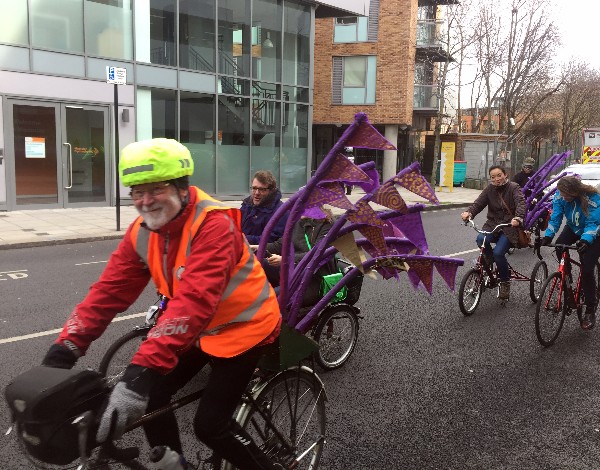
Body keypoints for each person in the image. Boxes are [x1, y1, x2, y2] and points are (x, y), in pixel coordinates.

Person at [41, 138, 283, 470]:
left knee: (210, 426)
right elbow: (107, 292)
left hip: (245, 328)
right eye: (137, 191)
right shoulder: (143, 231)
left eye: (155, 189)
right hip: (198, 330)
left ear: (182, 188)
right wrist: (63, 350)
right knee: (152, 398)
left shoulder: (214, 223)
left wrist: (141, 371)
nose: (145, 201)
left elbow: (194, 301)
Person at [541, 176, 600, 330]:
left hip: (593, 231)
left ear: (576, 192)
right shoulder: (560, 196)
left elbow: (592, 222)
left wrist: (586, 240)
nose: (564, 197)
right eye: (562, 194)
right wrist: (548, 235)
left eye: (567, 195)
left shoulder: (591, 197)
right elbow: (555, 218)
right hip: (573, 227)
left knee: (587, 269)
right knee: (560, 247)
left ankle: (590, 308)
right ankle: (566, 276)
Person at [461, 165, 526, 301]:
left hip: (509, 226)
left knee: (498, 253)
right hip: (492, 224)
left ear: (505, 175)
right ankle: (488, 262)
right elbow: (478, 203)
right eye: (493, 177)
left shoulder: (513, 187)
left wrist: (518, 218)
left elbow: (520, 203)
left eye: (499, 175)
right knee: (480, 239)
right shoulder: (489, 189)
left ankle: (504, 282)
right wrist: (469, 213)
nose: (496, 179)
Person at [251, 207, 335, 307]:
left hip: (314, 278)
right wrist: (256, 247)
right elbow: (280, 245)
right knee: (260, 264)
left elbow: (318, 254)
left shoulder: (326, 225)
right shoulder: (299, 222)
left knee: (270, 297)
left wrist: (285, 260)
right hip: (294, 272)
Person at [241, 170, 289, 245]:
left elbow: (272, 240)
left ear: (271, 190)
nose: (256, 193)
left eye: (262, 189)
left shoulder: (281, 212)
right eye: (254, 188)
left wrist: (241, 238)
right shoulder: (247, 204)